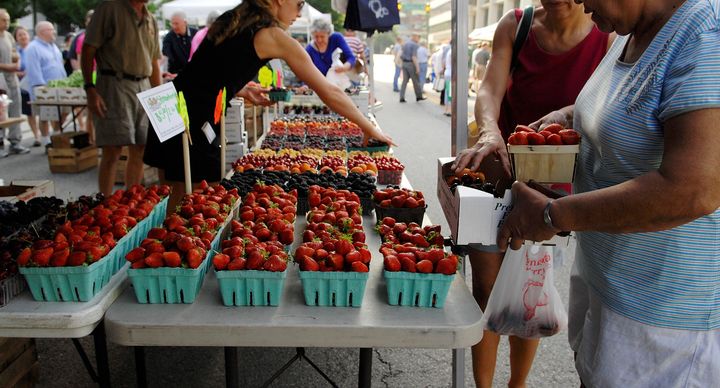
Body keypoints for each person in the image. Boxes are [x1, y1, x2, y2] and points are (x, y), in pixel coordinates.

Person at [491, 0, 720, 386]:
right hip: (609, 284)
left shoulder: (703, 34)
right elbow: (632, 106)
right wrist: (569, 115)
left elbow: (694, 189)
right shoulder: (629, 31)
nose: (579, 3)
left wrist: (552, 215)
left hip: (661, 317)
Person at [450, 1, 613, 386]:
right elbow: (489, 90)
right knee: (487, 288)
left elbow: (607, 101)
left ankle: (517, 384)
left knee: (530, 286)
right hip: (500, 174)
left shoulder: (607, 33)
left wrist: (568, 113)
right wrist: (490, 130)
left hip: (557, 188)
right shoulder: (516, 25)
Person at [143, 0, 394, 211]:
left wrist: (240, 88)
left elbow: (208, 71)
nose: (299, 11)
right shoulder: (272, 35)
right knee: (195, 200)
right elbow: (328, 90)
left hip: (172, 106)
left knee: (177, 193)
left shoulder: (233, 18)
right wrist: (367, 126)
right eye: (298, 3)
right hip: (194, 118)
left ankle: (168, 254)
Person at [81, 0, 161, 196]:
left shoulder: (150, 18)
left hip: (143, 85)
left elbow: (154, 62)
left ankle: (131, 200)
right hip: (114, 83)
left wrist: (158, 97)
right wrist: (90, 89)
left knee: (141, 147)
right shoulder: (109, 8)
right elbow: (88, 49)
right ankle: (106, 201)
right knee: (113, 148)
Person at [24, 21, 67, 147]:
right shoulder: (33, 48)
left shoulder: (54, 46)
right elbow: (33, 70)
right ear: (42, 32)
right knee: (45, 115)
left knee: (63, 112)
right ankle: (46, 140)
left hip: (60, 87)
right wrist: (40, 88)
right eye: (51, 29)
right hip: (44, 88)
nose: (54, 32)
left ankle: (56, 133)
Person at [0, 9, 29, 157]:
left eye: (8, 20)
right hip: (1, 78)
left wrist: (16, 58)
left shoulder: (9, 36)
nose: (7, 23)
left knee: (15, 109)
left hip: (12, 78)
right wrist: (8, 66)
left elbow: (14, 53)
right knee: (1, 111)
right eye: (3, 20)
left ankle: (15, 142)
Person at [13, 26, 40, 147]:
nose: (23, 37)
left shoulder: (35, 48)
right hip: (23, 85)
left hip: (37, 83)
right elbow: (13, 69)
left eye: (24, 34)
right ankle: (37, 136)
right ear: (16, 39)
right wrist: (20, 73)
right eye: (20, 35)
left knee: (42, 110)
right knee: (30, 112)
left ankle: (45, 134)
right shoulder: (16, 52)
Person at [162, 11, 196, 77]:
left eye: (176, 23)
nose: (174, 26)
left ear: (185, 23)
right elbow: (165, 55)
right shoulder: (168, 37)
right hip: (174, 75)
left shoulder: (196, 33)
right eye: (172, 23)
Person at [398, 33, 424, 103]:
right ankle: (419, 96)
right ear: (415, 37)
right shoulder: (414, 45)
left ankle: (401, 97)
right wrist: (417, 67)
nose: (419, 39)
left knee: (404, 81)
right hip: (411, 64)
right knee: (415, 81)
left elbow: (401, 54)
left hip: (404, 63)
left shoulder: (405, 44)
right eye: (418, 37)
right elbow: (414, 57)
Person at [441, 45, 451, 116]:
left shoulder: (449, 51)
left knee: (447, 92)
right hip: (451, 74)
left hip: (448, 73)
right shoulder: (453, 52)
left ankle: (446, 109)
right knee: (450, 93)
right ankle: (449, 110)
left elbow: (443, 63)